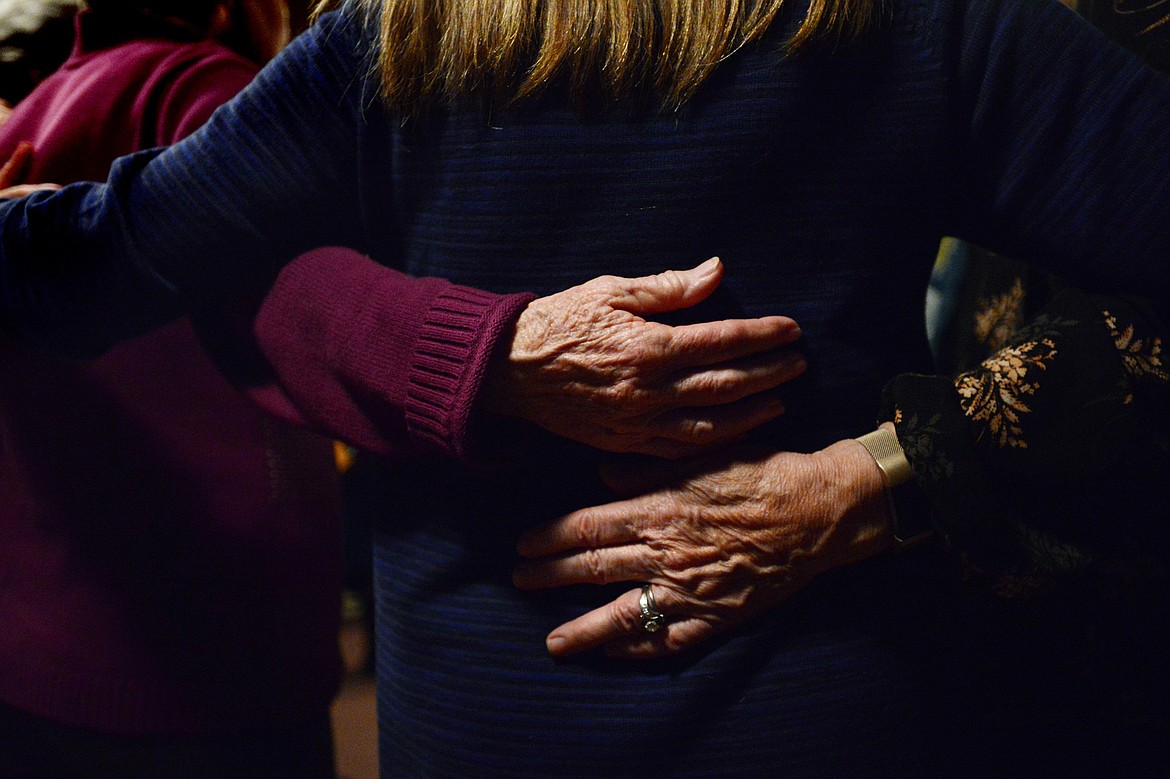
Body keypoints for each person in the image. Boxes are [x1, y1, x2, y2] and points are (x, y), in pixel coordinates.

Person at [1, 0, 1169, 775]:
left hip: (536, 723)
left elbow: (93, 266)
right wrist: (873, 481)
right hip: (812, 711)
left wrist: (864, 481)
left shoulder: (383, 43)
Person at [0, 2, 358, 776]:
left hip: (43, 646)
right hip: (210, 655)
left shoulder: (29, 112)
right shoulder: (215, 93)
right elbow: (321, 309)